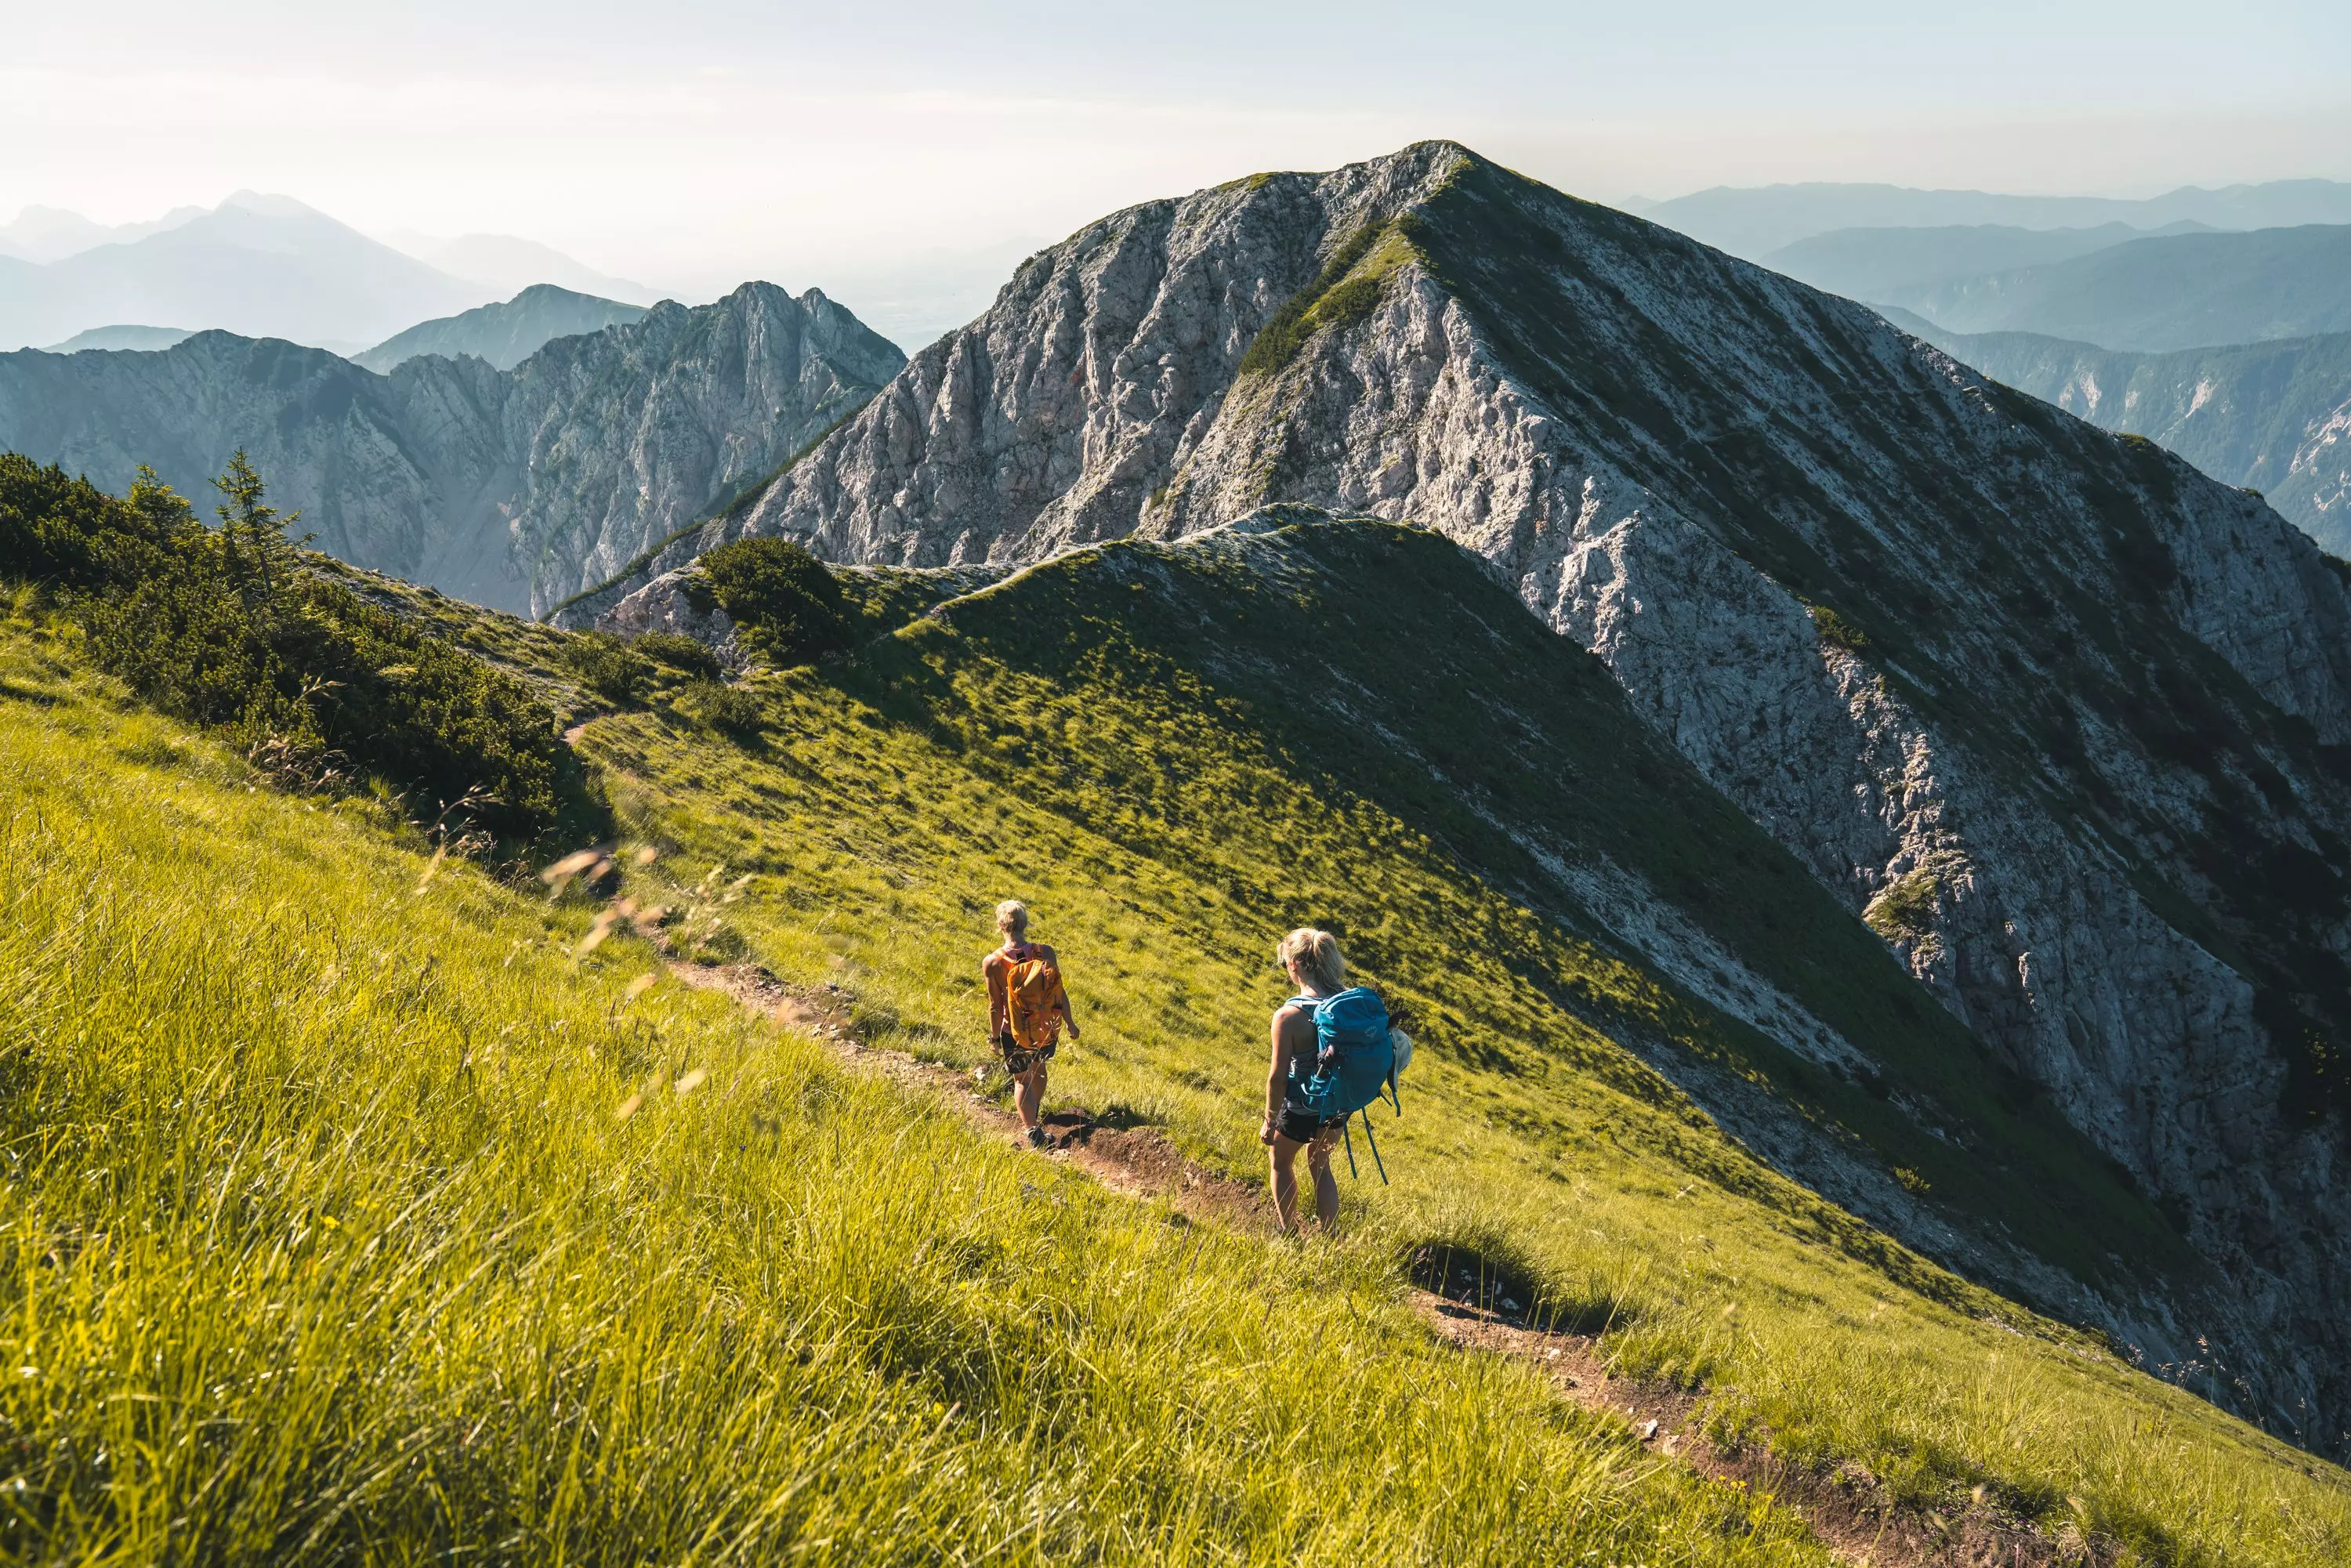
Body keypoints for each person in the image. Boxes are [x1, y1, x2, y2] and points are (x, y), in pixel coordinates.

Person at [1262, 926, 1349, 1233]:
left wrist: (1270, 1120)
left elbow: (1277, 1078)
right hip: (1337, 1105)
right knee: (1321, 1166)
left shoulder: (1288, 1016)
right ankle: (1330, 1239)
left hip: (1301, 1105)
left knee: (1281, 1161)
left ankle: (1289, 1233)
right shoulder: (1348, 1005)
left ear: (1295, 965)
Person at [983, 900, 1080, 1149]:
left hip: (1013, 1031)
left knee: (1022, 1080)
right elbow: (1059, 992)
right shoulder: (1045, 953)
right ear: (1025, 924)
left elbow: (996, 1006)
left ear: (1000, 926)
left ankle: (1031, 1128)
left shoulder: (993, 963)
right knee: (1040, 1071)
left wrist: (995, 1038)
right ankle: (1034, 1121)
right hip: (1045, 1027)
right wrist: (1069, 1022)